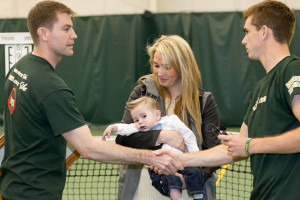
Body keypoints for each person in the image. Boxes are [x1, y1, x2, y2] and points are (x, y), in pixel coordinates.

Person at [0, 1, 182, 200]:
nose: (74, 35)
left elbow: (29, 126)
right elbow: (89, 148)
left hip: (12, 187)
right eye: (66, 28)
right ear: (43, 33)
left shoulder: (18, 69)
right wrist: (150, 156)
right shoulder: (51, 88)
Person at [178, 1, 300, 200]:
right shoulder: (260, 88)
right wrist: (180, 159)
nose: (243, 41)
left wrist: (251, 145)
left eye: (247, 31)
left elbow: (247, 145)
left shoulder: (292, 70)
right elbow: (233, 150)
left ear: (263, 32)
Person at [116, 35, 221, 200]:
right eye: (156, 65)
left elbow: (214, 152)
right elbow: (123, 139)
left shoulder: (204, 101)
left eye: (167, 67)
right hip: (142, 190)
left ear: (182, 67)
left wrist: (187, 179)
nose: (160, 72)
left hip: (188, 192)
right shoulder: (141, 93)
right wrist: (160, 136)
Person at [103, 96, 204, 200]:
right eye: (136, 120)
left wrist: (195, 155)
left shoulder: (172, 121)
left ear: (157, 114)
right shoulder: (140, 128)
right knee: (170, 181)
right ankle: (177, 198)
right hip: (160, 168)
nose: (140, 122)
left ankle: (198, 196)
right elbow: (127, 128)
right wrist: (113, 127)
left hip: (182, 162)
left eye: (144, 116)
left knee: (195, 172)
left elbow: (188, 136)